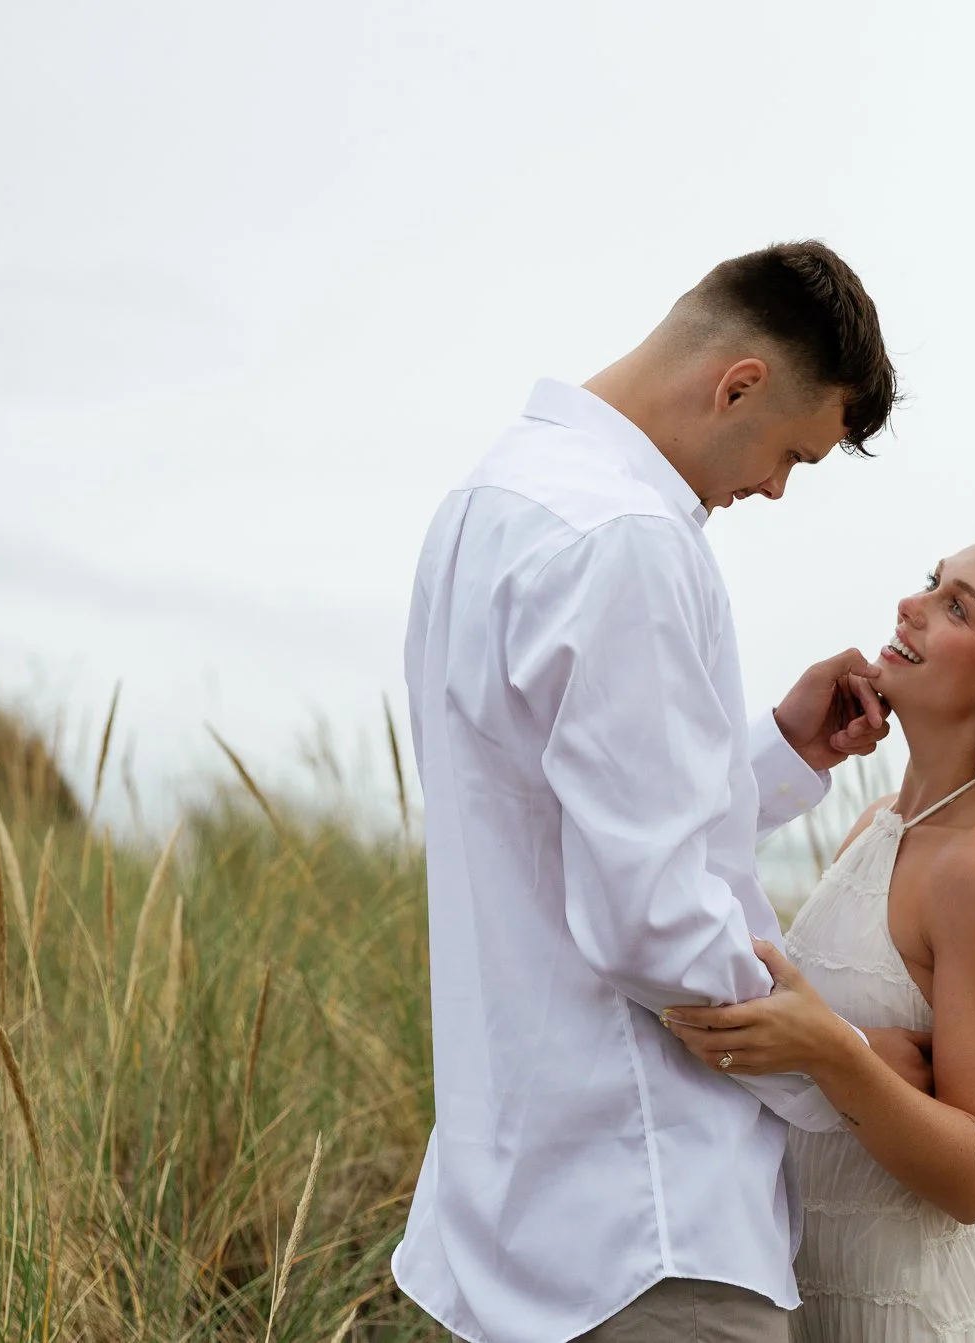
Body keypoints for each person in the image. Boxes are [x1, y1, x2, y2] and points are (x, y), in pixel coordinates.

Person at [393, 240, 918, 1343]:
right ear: (739, 384)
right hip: (648, 1222)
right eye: (792, 453)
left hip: (515, 1208)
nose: (774, 488)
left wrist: (779, 750)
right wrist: (838, 1065)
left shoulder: (488, 500)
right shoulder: (627, 538)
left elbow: (552, 818)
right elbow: (651, 918)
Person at [663, 528, 975, 1341]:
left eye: (956, 606)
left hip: (938, 1313)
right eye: (932, 581)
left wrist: (832, 1049)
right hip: (836, 1294)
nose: (911, 604)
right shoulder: (877, 824)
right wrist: (843, 1047)